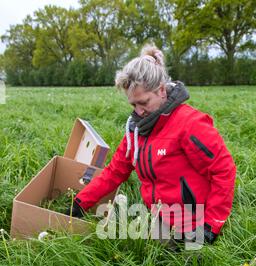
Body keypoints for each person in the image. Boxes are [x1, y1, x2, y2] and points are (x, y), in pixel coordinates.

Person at [71, 44, 236, 245]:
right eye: (133, 105)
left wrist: (211, 225)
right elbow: (115, 171)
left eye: (144, 102)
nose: (139, 111)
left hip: (196, 224)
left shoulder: (190, 124)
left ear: (161, 91)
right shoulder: (136, 130)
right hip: (161, 221)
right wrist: (80, 202)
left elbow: (223, 169)